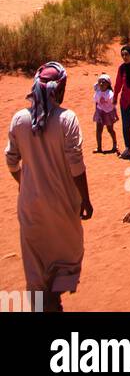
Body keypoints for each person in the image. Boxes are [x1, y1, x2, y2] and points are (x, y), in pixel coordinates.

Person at [5, 61, 94, 312]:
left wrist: (25, 184)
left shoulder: (20, 119)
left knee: (36, 269)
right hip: (63, 205)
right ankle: (54, 304)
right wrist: (85, 199)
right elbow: (76, 164)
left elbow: (11, 161)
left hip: (31, 207)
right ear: (60, 88)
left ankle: (46, 306)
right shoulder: (67, 119)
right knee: (64, 260)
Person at [92, 73, 118, 154]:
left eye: (104, 82)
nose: (101, 84)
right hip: (100, 112)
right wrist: (97, 111)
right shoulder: (98, 91)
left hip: (108, 113)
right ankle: (99, 147)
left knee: (110, 130)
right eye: (100, 82)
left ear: (108, 84)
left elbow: (113, 102)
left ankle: (115, 145)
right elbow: (96, 102)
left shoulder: (109, 93)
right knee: (98, 130)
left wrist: (114, 113)